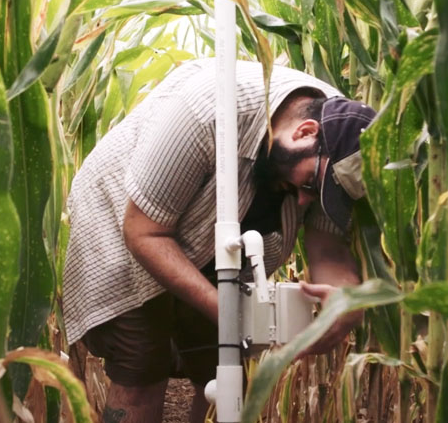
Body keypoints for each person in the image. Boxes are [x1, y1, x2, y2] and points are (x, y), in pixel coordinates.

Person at [62, 58, 377, 423]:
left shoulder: (344, 140)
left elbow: (328, 244)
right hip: (124, 220)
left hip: (219, 242)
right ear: (304, 132)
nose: (306, 201)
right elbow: (144, 232)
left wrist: (347, 301)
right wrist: (228, 314)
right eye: (309, 186)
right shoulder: (209, 112)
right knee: (142, 361)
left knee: (224, 365)